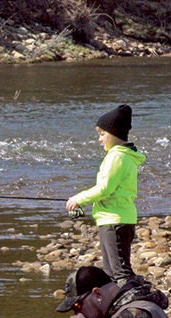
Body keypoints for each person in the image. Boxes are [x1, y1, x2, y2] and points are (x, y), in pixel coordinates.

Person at [65, 105, 145, 284]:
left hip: (115, 221)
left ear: (114, 133)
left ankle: (138, 301)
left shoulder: (117, 157)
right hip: (112, 219)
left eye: (102, 134)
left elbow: (104, 189)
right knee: (110, 273)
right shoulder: (123, 156)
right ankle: (118, 304)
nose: (99, 139)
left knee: (120, 272)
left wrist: (79, 199)